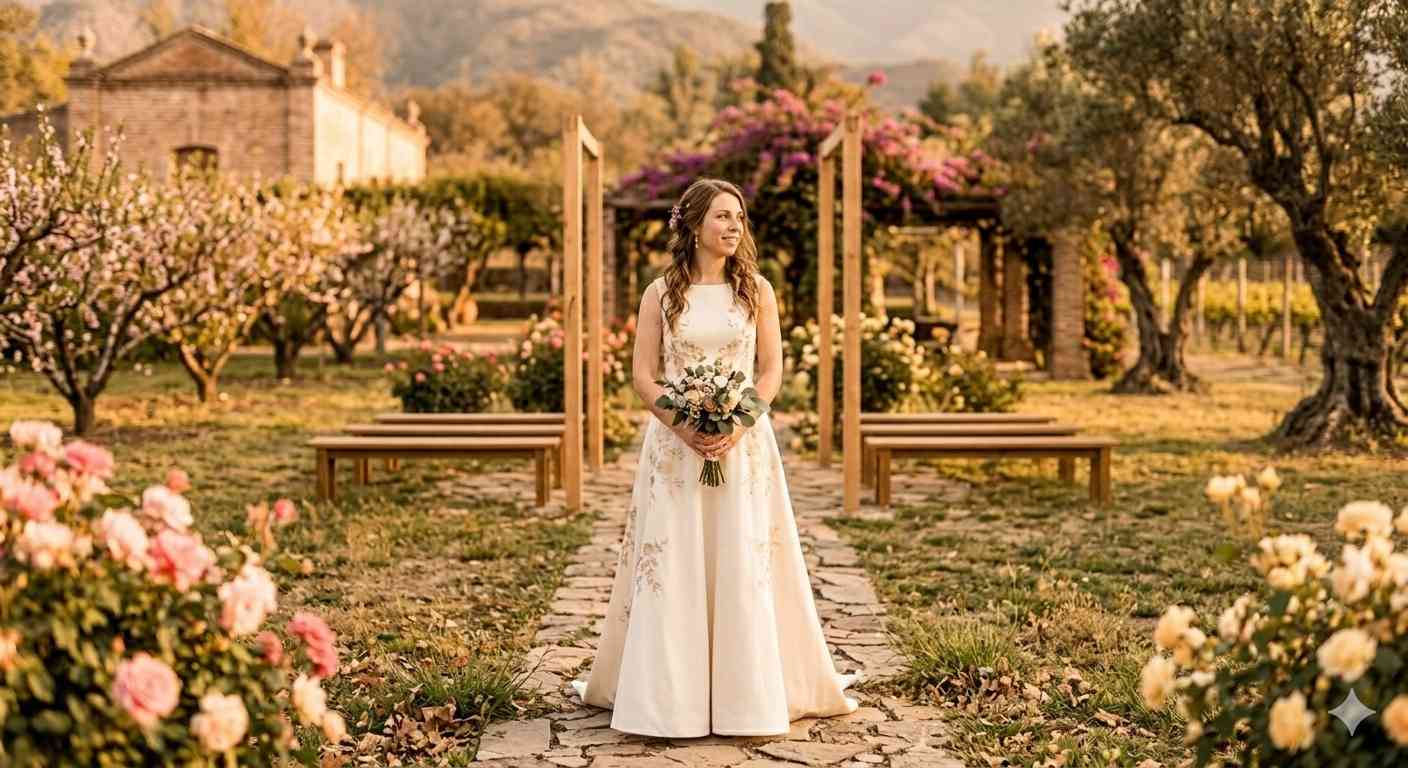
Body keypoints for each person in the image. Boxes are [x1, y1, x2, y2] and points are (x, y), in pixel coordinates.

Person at [569, 178, 861, 736]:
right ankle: (667, 698)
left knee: (741, 557)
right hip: (674, 452)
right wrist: (684, 425)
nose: (735, 228)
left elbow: (770, 371)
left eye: (740, 218)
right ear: (695, 225)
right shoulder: (660, 293)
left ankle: (744, 695)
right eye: (724, 217)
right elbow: (642, 376)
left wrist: (738, 422)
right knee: (675, 560)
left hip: (743, 449)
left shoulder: (757, 290)